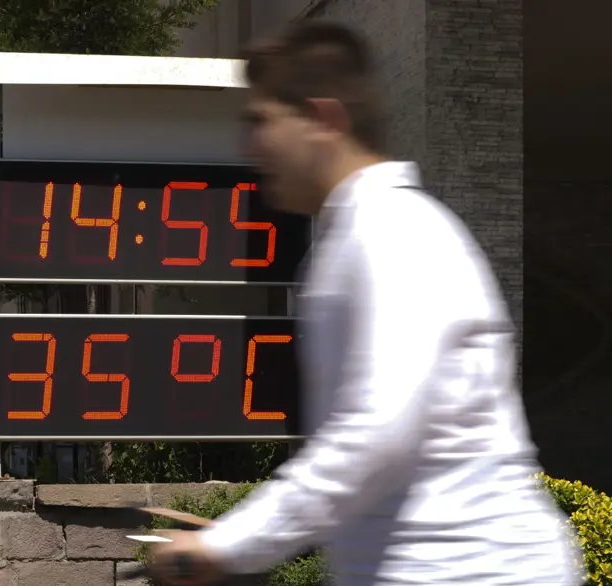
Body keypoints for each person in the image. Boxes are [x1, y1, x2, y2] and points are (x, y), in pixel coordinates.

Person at [147, 19, 582, 586]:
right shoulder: (351, 238)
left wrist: (227, 545)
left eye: (263, 122)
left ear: (323, 120)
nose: (251, 148)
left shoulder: (392, 231)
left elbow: (377, 430)